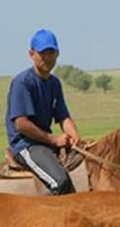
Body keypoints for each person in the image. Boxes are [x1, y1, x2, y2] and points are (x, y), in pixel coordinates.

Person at [5, 29, 83, 195]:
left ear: (57, 54)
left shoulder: (54, 83)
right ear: (31, 53)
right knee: (60, 182)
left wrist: (74, 136)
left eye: (51, 53)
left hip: (44, 144)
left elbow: (63, 117)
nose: (47, 58)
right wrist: (53, 140)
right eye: (42, 53)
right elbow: (21, 123)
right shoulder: (23, 82)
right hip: (26, 145)